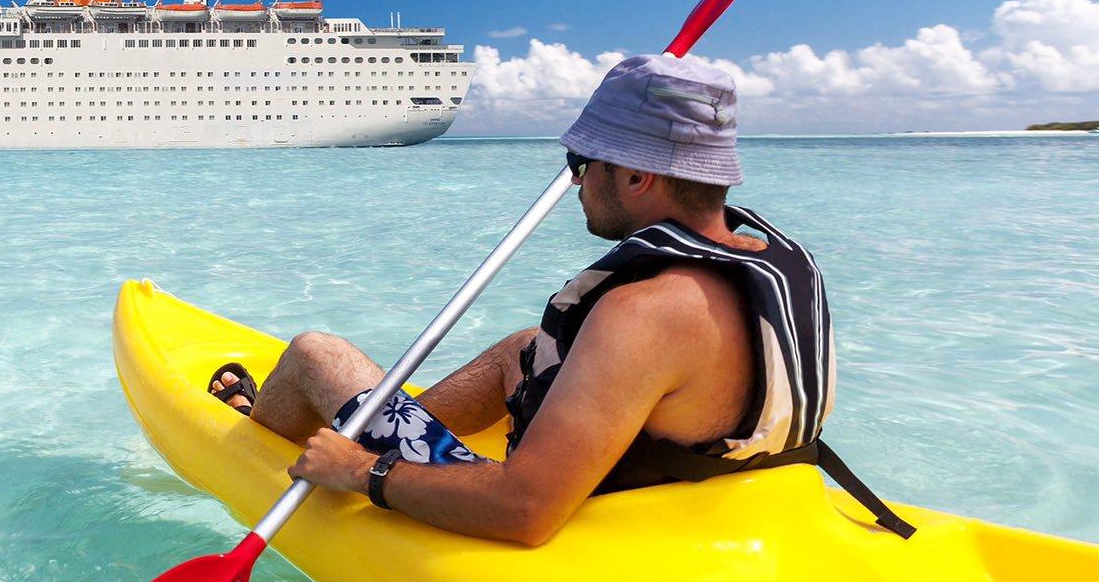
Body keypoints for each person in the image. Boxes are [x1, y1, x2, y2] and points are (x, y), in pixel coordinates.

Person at [209, 54, 908, 545]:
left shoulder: (648, 313)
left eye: (583, 165)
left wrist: (363, 472)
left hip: (595, 515)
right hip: (707, 481)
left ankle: (259, 442)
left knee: (313, 353)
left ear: (635, 178)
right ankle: (383, 424)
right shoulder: (775, 258)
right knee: (526, 346)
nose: (574, 184)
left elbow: (527, 511)